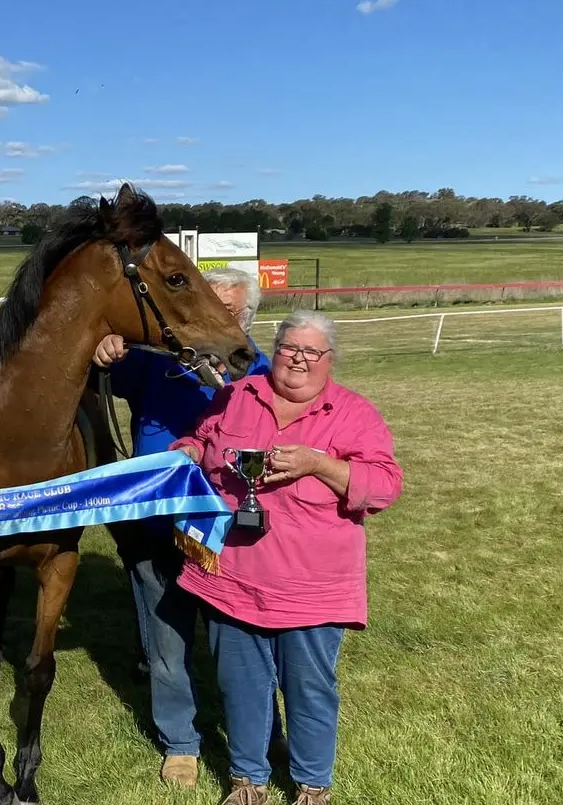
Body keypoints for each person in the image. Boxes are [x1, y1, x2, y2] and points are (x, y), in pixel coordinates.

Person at [169, 310, 404, 805]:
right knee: (240, 686)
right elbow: (204, 436)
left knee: (309, 690)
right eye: (288, 348)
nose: (297, 359)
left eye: (310, 351)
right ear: (273, 352)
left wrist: (318, 464)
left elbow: (383, 487)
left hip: (313, 587)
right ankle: (246, 781)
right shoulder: (236, 396)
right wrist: (188, 450)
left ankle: (312, 786)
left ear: (329, 360)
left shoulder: (355, 414)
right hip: (234, 578)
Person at [93, 265, 271, 788]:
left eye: (229, 311)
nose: (215, 318)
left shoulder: (259, 371)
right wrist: (106, 350)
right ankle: (181, 743)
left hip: (224, 526)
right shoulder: (157, 362)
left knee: (239, 636)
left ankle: (262, 729)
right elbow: (108, 368)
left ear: (245, 318)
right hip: (154, 518)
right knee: (166, 634)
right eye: (207, 306)